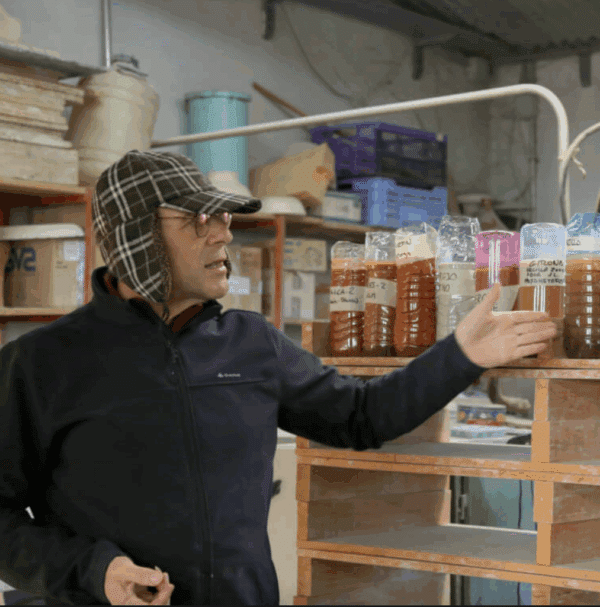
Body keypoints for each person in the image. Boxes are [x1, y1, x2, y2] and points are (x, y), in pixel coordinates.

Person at [0, 150, 556, 606]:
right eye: (198, 220)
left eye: (223, 218)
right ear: (137, 238)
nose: (223, 235)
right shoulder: (40, 364)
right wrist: (94, 571)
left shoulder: (251, 343)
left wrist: (461, 355)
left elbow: (361, 416)